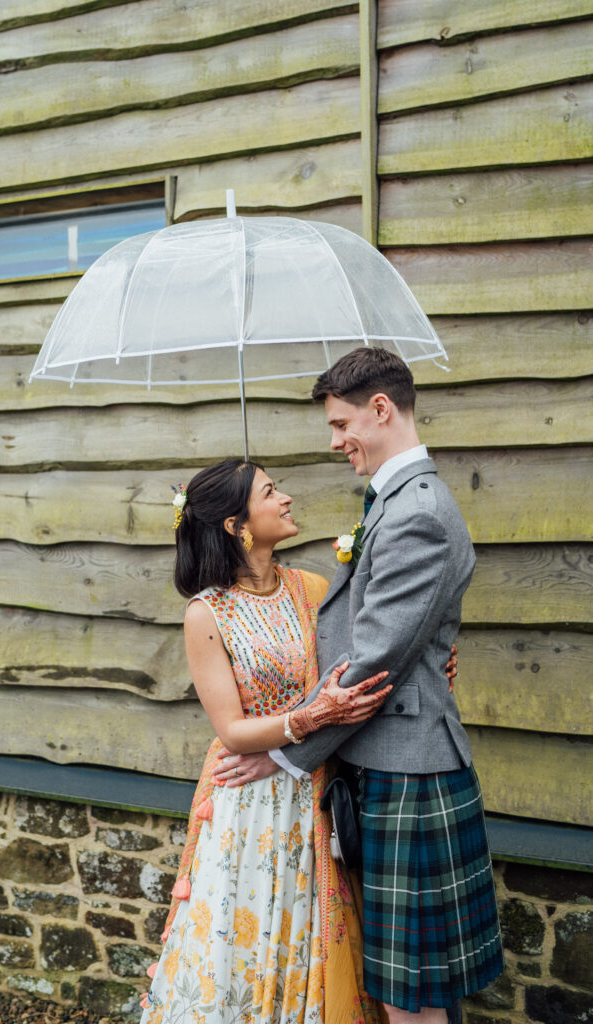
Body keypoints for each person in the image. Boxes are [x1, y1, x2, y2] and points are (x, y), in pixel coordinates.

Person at [218, 348, 504, 1024]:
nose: (336, 440)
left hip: (409, 771)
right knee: (406, 987)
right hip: (384, 761)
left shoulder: (416, 513)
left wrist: (285, 751)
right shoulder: (393, 501)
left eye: (342, 423)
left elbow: (372, 663)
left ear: (381, 409)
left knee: (409, 997)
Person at [140, 457, 459, 1023]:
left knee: (320, 934)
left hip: (320, 790)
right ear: (237, 526)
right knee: (255, 930)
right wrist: (307, 720)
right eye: (270, 492)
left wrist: (429, 667)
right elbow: (232, 731)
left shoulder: (313, 589)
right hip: (252, 807)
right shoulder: (206, 614)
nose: (286, 498)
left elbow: (370, 663)